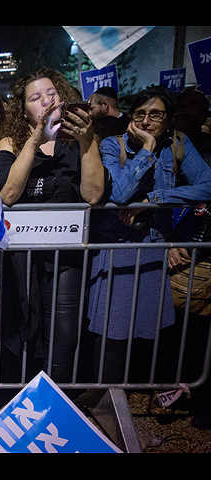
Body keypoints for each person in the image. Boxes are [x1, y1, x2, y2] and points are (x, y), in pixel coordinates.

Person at [88, 85, 211, 384]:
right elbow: (119, 193)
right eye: (139, 114)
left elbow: (207, 186)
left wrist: (153, 200)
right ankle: (105, 398)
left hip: (155, 247)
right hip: (117, 249)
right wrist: (146, 149)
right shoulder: (111, 145)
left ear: (169, 120)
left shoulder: (178, 144)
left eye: (155, 115)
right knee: (112, 333)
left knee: (149, 332)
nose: (145, 122)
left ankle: (138, 400)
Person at [0, 69, 104, 384]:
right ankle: (26, 391)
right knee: (27, 327)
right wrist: (35, 138)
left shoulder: (79, 139)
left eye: (52, 93)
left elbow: (93, 194)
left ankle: (59, 397)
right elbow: (9, 194)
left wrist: (87, 140)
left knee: (65, 331)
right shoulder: (10, 142)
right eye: (36, 97)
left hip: (67, 253)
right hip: (22, 254)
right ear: (23, 109)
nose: (47, 100)